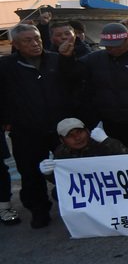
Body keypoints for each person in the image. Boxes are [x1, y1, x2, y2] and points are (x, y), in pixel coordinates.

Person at [0, 23, 78, 228]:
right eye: (27, 40)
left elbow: (74, 83)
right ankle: (39, 210)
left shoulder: (56, 59)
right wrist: (6, 119)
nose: (35, 43)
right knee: (30, 173)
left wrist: (68, 59)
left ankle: (75, 205)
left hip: (61, 127)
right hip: (26, 130)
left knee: (72, 166)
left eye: (37, 39)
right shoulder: (6, 66)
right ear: (15, 44)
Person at [75, 23, 128, 150]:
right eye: (108, 46)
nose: (112, 49)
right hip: (107, 123)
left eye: (116, 46)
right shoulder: (94, 59)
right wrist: (66, 57)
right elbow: (72, 74)